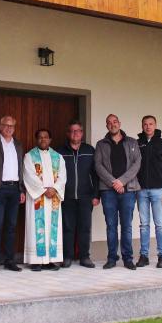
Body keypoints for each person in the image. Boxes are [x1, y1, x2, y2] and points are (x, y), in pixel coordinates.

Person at [94, 114, 141, 270]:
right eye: (109, 123)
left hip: (128, 191)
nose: (112, 124)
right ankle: (112, 258)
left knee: (126, 225)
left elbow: (137, 164)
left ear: (119, 124)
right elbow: (98, 166)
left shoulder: (132, 142)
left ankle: (128, 258)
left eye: (115, 122)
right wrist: (114, 183)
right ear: (107, 126)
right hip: (108, 191)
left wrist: (122, 181)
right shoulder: (101, 144)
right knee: (111, 225)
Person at [0, 115, 26, 273]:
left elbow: (20, 168)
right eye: (6, 125)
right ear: (0, 126)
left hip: (14, 189)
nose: (9, 128)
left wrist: (21, 189)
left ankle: (9, 260)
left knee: (11, 227)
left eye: (12, 126)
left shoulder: (18, 144)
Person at [23, 129, 67, 271]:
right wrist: (44, 190)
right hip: (38, 199)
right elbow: (29, 176)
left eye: (46, 137)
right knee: (36, 227)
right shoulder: (29, 157)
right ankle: (36, 261)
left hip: (53, 198)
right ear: (36, 139)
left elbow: (63, 176)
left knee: (52, 228)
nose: (43, 139)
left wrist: (54, 189)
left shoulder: (58, 157)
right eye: (40, 137)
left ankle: (52, 260)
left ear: (50, 139)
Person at [57, 119, 99, 268]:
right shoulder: (60, 152)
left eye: (78, 131)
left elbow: (96, 174)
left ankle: (84, 257)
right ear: (68, 133)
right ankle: (67, 256)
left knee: (85, 227)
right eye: (72, 131)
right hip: (66, 196)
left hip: (86, 196)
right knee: (67, 227)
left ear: (82, 133)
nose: (75, 133)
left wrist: (96, 195)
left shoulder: (90, 150)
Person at [136, 115, 162, 268]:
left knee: (159, 225)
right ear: (142, 126)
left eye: (151, 124)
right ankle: (144, 256)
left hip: (158, 190)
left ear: (155, 125)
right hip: (141, 190)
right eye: (145, 124)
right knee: (144, 225)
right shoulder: (138, 144)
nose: (148, 127)